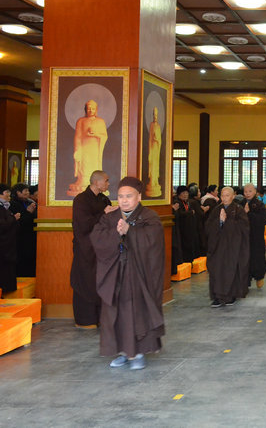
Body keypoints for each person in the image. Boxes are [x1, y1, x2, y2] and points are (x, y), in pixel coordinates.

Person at [90, 177, 164, 370]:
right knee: (115, 313)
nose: (124, 200)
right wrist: (116, 233)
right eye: (120, 196)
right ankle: (122, 352)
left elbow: (153, 242)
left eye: (128, 196)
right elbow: (97, 238)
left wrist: (130, 230)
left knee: (136, 312)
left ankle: (138, 353)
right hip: (114, 274)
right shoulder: (110, 217)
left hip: (138, 275)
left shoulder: (149, 217)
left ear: (138, 197)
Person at [71, 170, 117, 328]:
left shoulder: (104, 199)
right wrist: (104, 214)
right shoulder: (81, 200)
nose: (108, 183)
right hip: (86, 248)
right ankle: (85, 320)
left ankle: (101, 318)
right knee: (86, 282)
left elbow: (108, 221)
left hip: (102, 248)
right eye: (106, 180)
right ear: (97, 182)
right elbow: (84, 224)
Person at [205, 187, 249, 307]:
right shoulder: (216, 210)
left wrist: (226, 222)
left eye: (227, 195)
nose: (224, 198)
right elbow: (208, 227)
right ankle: (217, 296)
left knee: (231, 270)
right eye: (222, 195)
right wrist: (219, 222)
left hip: (233, 248)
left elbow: (244, 228)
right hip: (218, 248)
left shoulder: (238, 210)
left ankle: (230, 295)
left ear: (233, 196)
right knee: (216, 270)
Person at [69, 99, 108, 196]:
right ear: (86, 109)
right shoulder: (81, 121)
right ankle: (83, 182)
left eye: (93, 108)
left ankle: (94, 183)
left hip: (95, 148)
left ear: (96, 110)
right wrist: (77, 149)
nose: (91, 110)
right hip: (84, 148)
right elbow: (77, 136)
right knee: (84, 165)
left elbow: (104, 136)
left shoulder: (100, 121)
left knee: (93, 165)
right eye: (89, 108)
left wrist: (96, 134)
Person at [243, 183, 266, 289]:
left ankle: (259, 277)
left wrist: (248, 214)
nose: (247, 194)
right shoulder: (240, 203)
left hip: (256, 237)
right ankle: (245, 281)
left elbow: (261, 220)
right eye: (245, 192)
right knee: (244, 259)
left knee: (257, 258)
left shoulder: (259, 205)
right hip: (244, 237)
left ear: (255, 192)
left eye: (250, 191)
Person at [9, 183, 37, 277]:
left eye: (28, 191)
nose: (28, 193)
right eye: (25, 191)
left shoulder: (29, 202)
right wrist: (28, 212)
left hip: (30, 236)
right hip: (20, 238)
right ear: (18, 192)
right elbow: (20, 221)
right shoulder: (13, 204)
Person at [172, 185, 201, 264]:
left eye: (187, 193)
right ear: (179, 194)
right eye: (183, 193)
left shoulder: (186, 202)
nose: (185, 195)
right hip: (181, 230)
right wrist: (190, 212)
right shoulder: (177, 202)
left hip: (188, 230)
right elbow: (179, 215)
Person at [0, 183, 20, 296]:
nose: (9, 195)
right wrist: (13, 219)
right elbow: (2, 225)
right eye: (7, 192)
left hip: (8, 246)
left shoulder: (6, 207)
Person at [145, 107, 162, 197]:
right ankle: (152, 182)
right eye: (154, 115)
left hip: (156, 148)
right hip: (152, 148)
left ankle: (155, 182)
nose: (155, 117)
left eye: (156, 115)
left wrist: (157, 140)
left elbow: (159, 139)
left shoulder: (158, 126)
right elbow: (150, 137)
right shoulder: (152, 125)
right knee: (152, 166)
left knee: (156, 166)